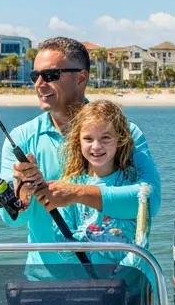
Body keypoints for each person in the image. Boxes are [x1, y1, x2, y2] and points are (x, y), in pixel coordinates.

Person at [0, 37, 161, 269]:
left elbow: (150, 202)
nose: (39, 84)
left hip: (121, 281)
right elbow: (12, 220)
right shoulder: (22, 138)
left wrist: (77, 193)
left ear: (81, 78)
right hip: (44, 279)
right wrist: (22, 194)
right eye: (35, 76)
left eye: (51, 75)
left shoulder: (127, 133)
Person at [60, 99, 153, 268]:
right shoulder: (70, 185)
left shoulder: (133, 183)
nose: (96, 146)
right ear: (77, 141)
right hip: (90, 285)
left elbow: (142, 239)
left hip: (132, 283)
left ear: (120, 139)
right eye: (88, 139)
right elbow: (62, 244)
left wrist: (121, 274)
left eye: (105, 138)